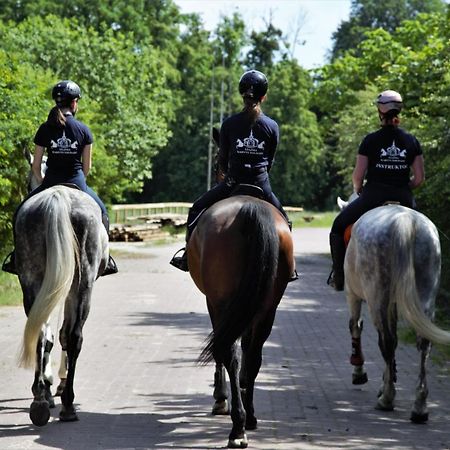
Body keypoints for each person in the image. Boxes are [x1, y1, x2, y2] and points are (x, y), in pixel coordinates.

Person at [170, 69, 296, 281]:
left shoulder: (229, 124)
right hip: (261, 185)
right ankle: (289, 266)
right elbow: (270, 161)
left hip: (232, 183)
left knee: (196, 210)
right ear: (263, 96)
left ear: (241, 95)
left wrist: (228, 173)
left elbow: (223, 160)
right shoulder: (272, 126)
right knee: (285, 221)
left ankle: (185, 257)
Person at [2, 80, 118, 276]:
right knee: (103, 213)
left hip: (49, 183)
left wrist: (42, 181)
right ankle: (105, 260)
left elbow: (36, 166)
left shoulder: (44, 129)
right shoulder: (83, 130)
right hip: (77, 183)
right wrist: (78, 179)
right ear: (73, 103)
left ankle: (16, 257)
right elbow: (87, 167)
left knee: (20, 212)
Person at [327, 89, 425, 291]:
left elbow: (357, 176)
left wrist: (359, 189)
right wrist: (405, 187)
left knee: (337, 228)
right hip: (404, 197)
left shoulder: (370, 140)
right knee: (424, 232)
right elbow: (420, 178)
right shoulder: (412, 141)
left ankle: (339, 276)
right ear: (399, 111)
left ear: (380, 112)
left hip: (373, 196)